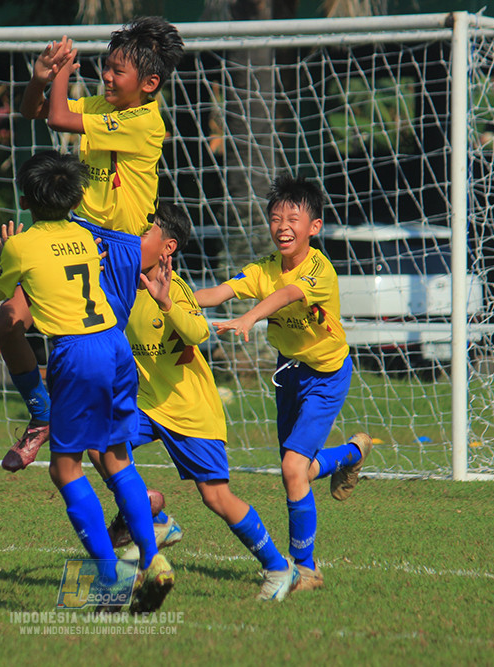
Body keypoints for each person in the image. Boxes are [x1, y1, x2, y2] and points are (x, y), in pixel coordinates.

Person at [0, 17, 185, 472]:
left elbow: (60, 116)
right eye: (105, 67)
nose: (106, 76)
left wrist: (62, 67)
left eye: (117, 71)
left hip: (117, 250)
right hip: (76, 234)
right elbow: (35, 112)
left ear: (150, 82)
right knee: (6, 321)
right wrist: (41, 78)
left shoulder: (143, 120)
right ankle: (41, 414)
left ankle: (141, 509)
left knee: (87, 382)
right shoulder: (104, 104)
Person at [0, 150, 174, 613]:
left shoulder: (22, 244)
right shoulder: (86, 236)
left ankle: (112, 580)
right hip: (115, 346)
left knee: (64, 468)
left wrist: (5, 258)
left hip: (77, 353)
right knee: (116, 458)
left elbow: (3, 299)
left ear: (26, 199)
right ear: (75, 197)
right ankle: (154, 561)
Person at [96, 203, 302, 600]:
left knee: (216, 497)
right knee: (100, 444)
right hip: (144, 403)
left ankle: (279, 568)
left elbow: (197, 333)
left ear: (166, 247)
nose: (132, 237)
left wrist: (166, 303)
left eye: (144, 231)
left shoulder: (175, 288)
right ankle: (151, 517)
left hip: (191, 411)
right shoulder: (120, 282)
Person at [193, 173, 373, 593]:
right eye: (275, 217)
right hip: (289, 374)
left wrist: (251, 317)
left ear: (314, 226)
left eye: (293, 216)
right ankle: (350, 454)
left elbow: (289, 294)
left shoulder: (318, 270)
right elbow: (221, 292)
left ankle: (306, 569)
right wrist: (167, 294)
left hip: (327, 376)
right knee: (297, 470)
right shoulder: (264, 268)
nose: (282, 225)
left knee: (293, 468)